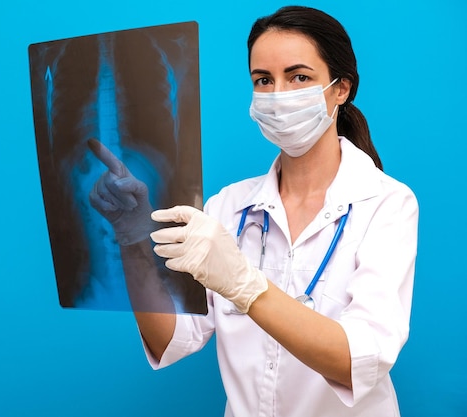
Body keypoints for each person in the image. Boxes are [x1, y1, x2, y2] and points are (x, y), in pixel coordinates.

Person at [89, 5, 418, 416]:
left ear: (341, 89)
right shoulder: (228, 206)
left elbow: (360, 359)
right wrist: (133, 234)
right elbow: (170, 339)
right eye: (263, 80)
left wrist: (244, 285)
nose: (278, 96)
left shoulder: (385, 203)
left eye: (299, 77)